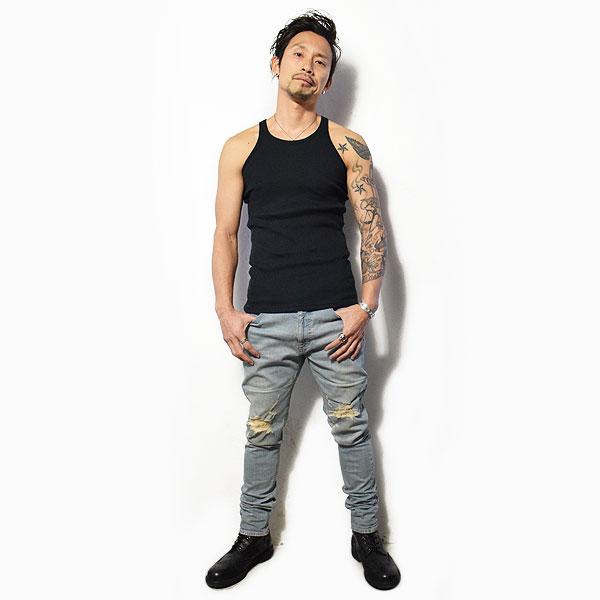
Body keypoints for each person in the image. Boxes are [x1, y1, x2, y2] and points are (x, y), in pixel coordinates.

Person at [207, 10, 400, 591]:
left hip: (334, 320)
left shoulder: (347, 145)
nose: (308, 66)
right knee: (261, 432)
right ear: (276, 63)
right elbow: (224, 234)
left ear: (328, 78)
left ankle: (367, 537)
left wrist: (366, 308)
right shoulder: (240, 147)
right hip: (264, 320)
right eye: (298, 54)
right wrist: (225, 311)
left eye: (321, 61)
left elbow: (373, 230)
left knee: (352, 430)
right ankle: (253, 536)